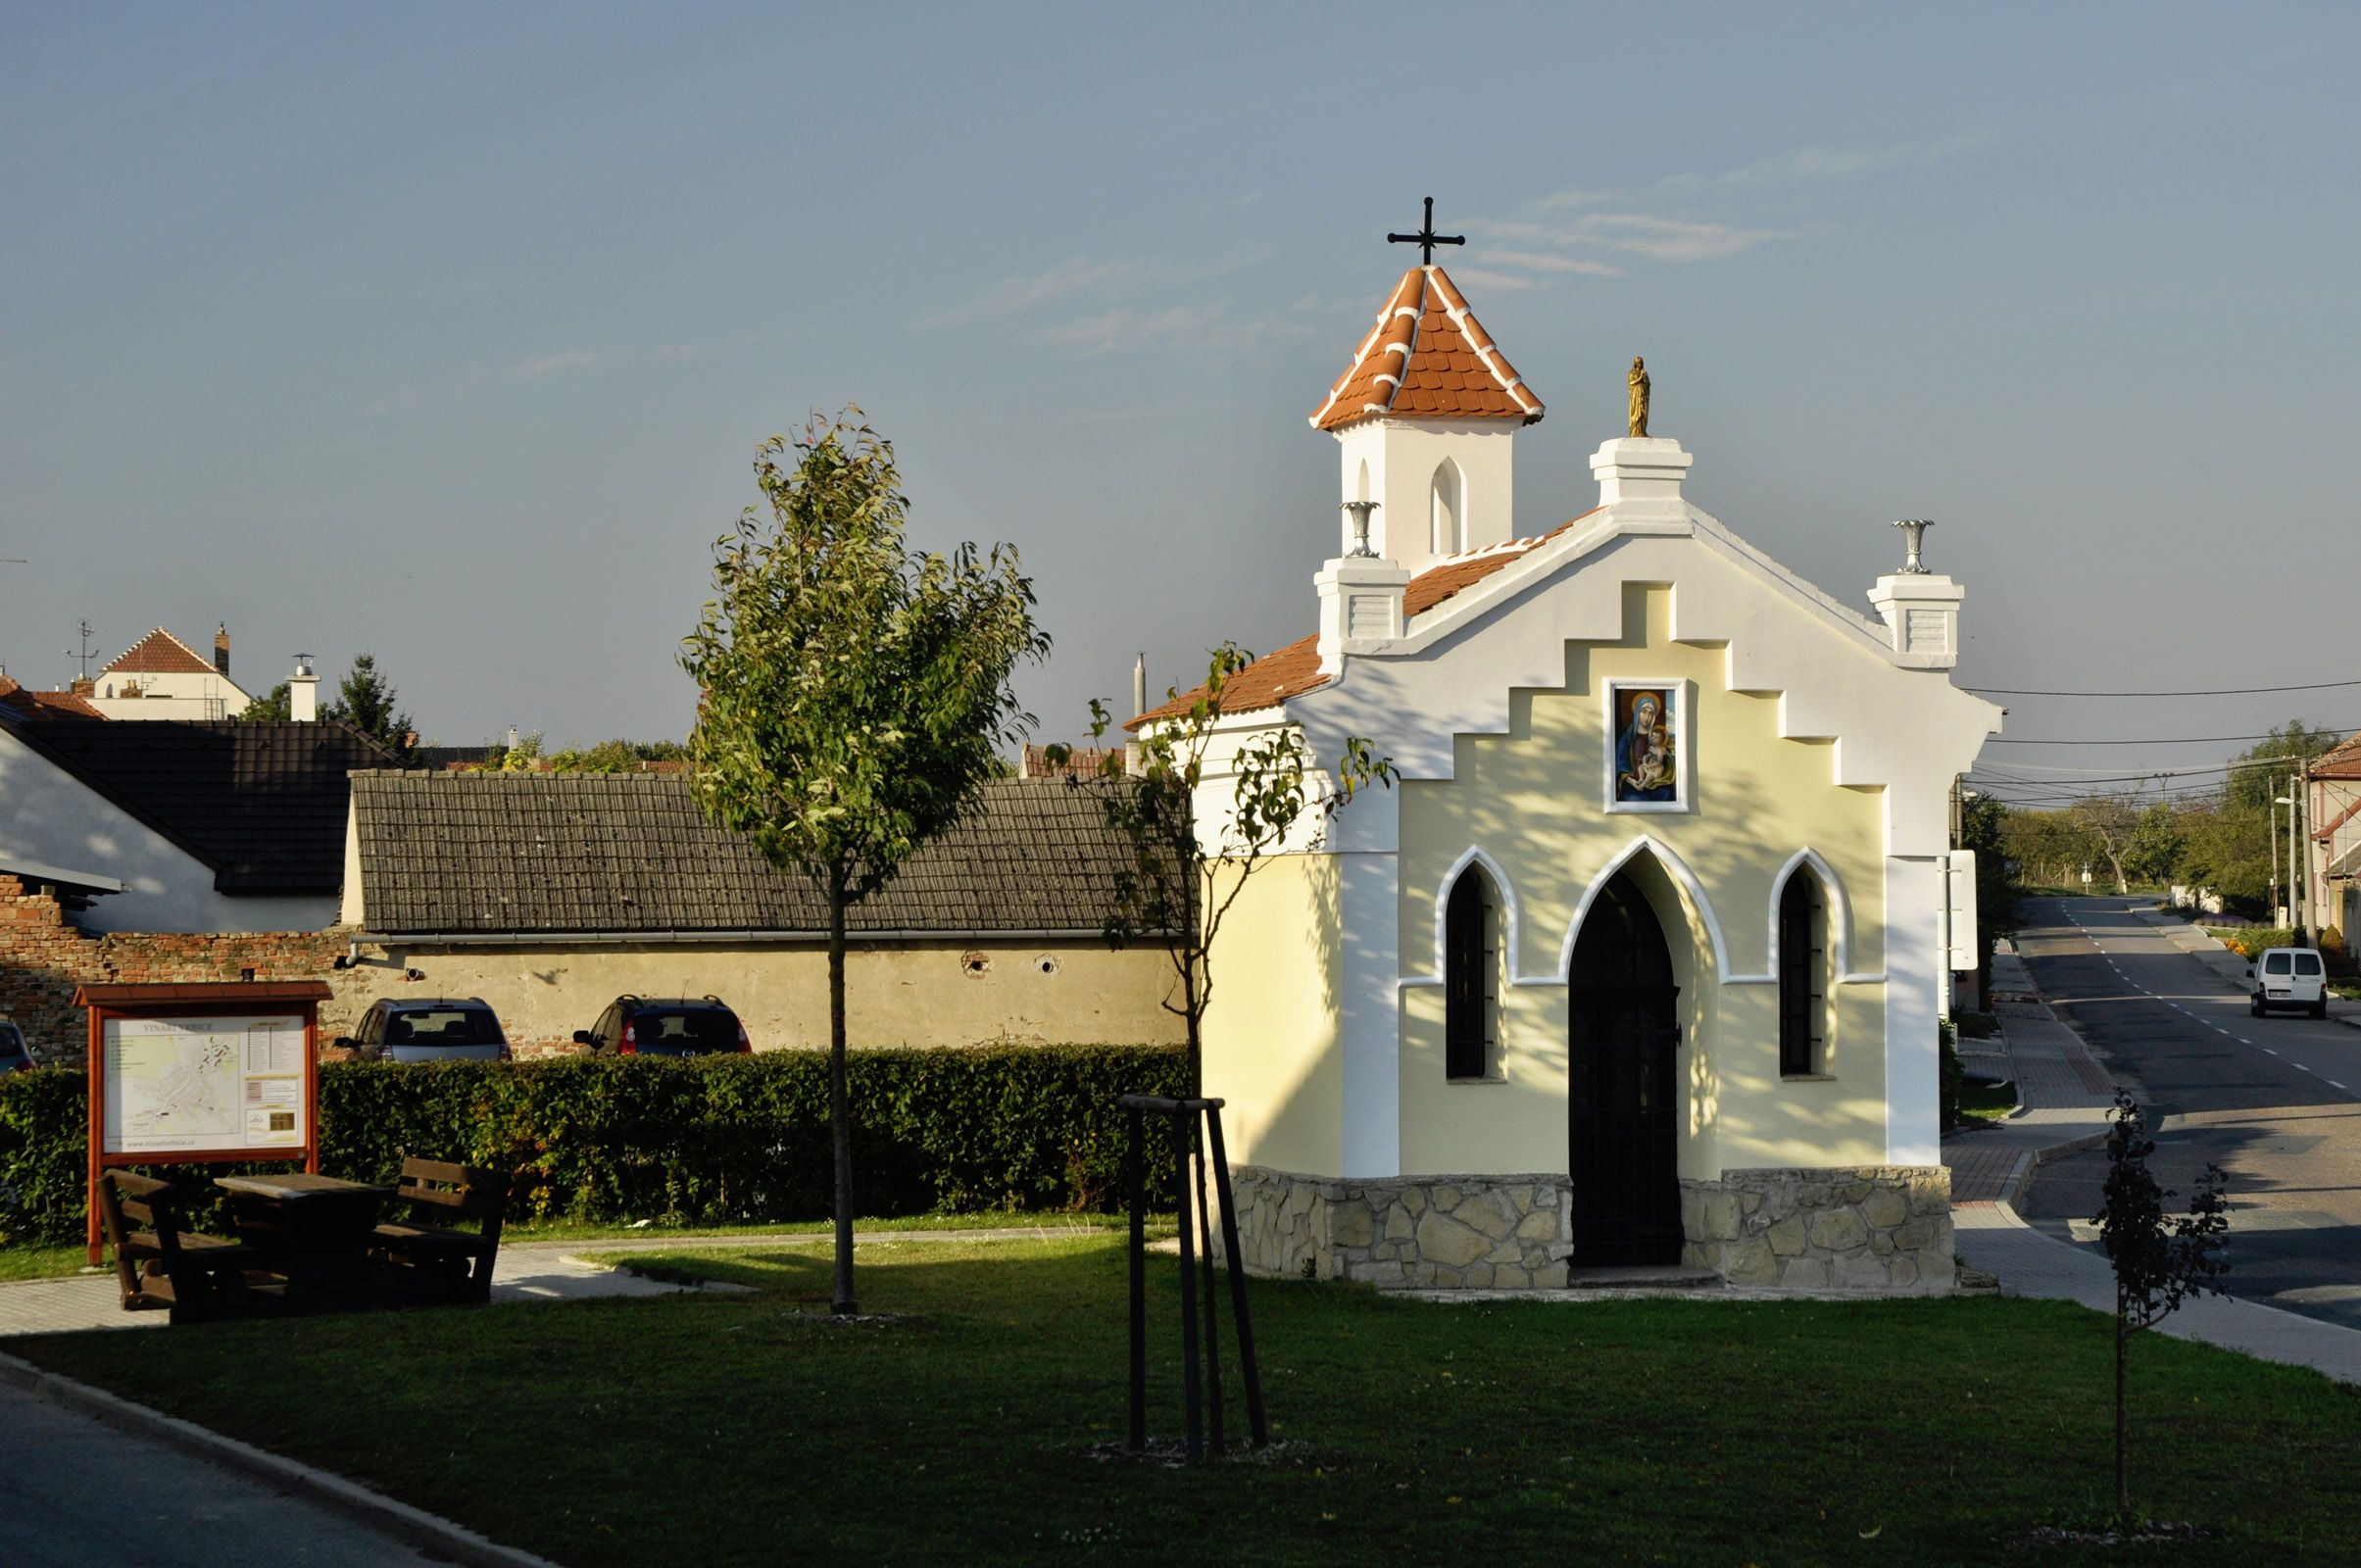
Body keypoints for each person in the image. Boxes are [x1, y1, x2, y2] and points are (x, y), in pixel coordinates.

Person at [1616, 692, 1675, 802]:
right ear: (1637, 712)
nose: (1647, 717)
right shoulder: (1627, 735)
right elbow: (1620, 762)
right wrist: (1631, 781)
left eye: (1651, 713)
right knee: (1636, 800)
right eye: (1643, 711)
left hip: (1654, 782)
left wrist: (1665, 755)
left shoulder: (1656, 735)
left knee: (1667, 794)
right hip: (1632, 783)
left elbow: (1664, 760)